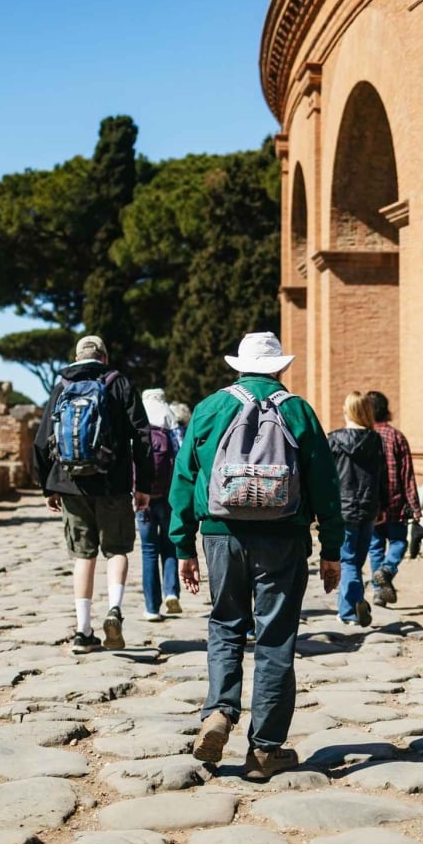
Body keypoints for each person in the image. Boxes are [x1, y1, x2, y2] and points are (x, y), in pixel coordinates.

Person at [170, 332, 343, 782]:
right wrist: (332, 550)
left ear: (239, 366)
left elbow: (184, 480)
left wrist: (183, 545)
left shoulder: (210, 408)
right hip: (283, 538)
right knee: (275, 637)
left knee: (226, 624)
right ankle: (265, 749)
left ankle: (219, 712)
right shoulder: (298, 409)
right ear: (280, 368)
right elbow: (325, 484)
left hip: (221, 534)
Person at [33, 335, 153, 655]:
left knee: (83, 555)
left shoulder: (61, 386)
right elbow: (142, 437)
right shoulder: (118, 383)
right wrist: (144, 485)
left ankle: (83, 631)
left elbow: (42, 440)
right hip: (113, 483)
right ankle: (114, 609)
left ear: (77, 356)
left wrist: (48, 485)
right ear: (104, 356)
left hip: (71, 483)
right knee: (116, 550)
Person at [328, 392, 388, 627]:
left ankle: (352, 609)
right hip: (369, 506)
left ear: (347, 410)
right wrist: (383, 504)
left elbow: (326, 477)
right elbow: (382, 476)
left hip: (343, 508)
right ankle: (348, 608)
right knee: (356, 561)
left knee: (348, 561)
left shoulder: (333, 440)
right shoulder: (375, 440)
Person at [365, 390, 421, 607]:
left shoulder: (366, 437)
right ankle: (387, 570)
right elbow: (407, 475)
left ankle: (379, 592)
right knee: (398, 542)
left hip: (372, 505)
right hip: (396, 504)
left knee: (375, 547)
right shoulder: (396, 436)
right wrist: (415, 506)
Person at [138, 388, 182, 621]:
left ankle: (151, 608)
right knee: (170, 545)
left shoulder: (138, 417)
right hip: (168, 495)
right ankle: (171, 592)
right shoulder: (169, 417)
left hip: (142, 497)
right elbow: (182, 453)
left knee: (148, 551)